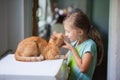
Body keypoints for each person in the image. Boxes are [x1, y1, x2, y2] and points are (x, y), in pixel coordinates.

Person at [62, 8, 104, 80]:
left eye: (68, 32)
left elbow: (83, 68)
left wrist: (72, 49)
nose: (66, 34)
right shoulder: (75, 42)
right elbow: (66, 57)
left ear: (80, 32)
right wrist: (53, 55)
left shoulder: (90, 45)